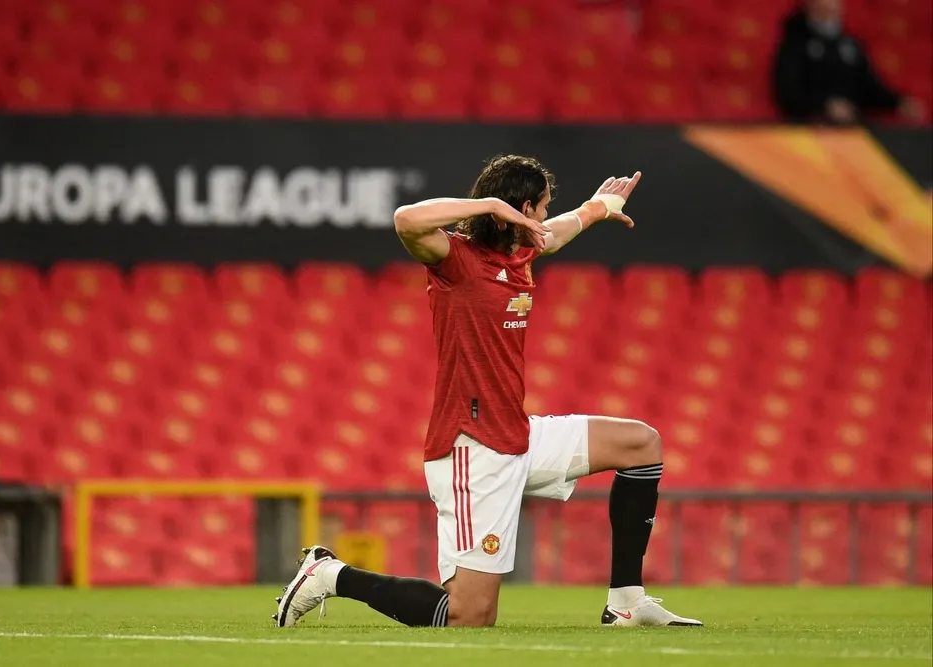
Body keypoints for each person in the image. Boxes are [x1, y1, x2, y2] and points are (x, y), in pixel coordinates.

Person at [274, 155, 702, 629]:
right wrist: (491, 204)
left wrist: (599, 206)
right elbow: (405, 219)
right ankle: (331, 575)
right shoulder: (455, 260)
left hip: (516, 434)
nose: (541, 218)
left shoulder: (520, 253)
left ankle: (625, 601)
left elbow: (557, 232)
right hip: (472, 448)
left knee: (641, 444)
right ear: (516, 210)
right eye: (537, 208)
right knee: (469, 616)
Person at [773, 0, 924, 124]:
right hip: (811, 130)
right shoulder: (795, 44)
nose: (830, 6)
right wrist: (825, 106)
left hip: (852, 130)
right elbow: (788, 93)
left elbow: (870, 86)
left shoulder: (850, 44)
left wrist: (898, 102)